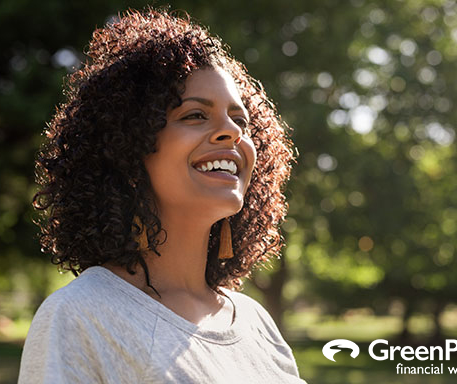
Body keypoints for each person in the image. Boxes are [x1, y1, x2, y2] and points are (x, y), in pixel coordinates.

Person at [19, 7, 305, 384]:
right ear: (128, 150)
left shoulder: (255, 322)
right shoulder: (81, 314)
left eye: (241, 120)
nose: (232, 133)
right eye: (194, 116)